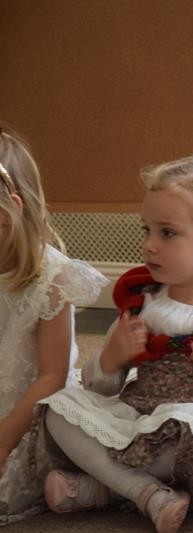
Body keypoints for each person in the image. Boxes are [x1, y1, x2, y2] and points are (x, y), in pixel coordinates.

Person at [37, 152, 193, 533]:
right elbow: (99, 387)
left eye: (167, 233)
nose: (150, 245)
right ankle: (142, 492)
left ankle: (104, 487)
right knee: (59, 408)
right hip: (140, 423)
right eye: (147, 230)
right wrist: (111, 359)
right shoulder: (143, 303)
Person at [0, 125, 107, 525]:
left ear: (7, 212)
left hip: (25, 417)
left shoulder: (52, 279)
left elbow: (51, 375)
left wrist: (5, 438)